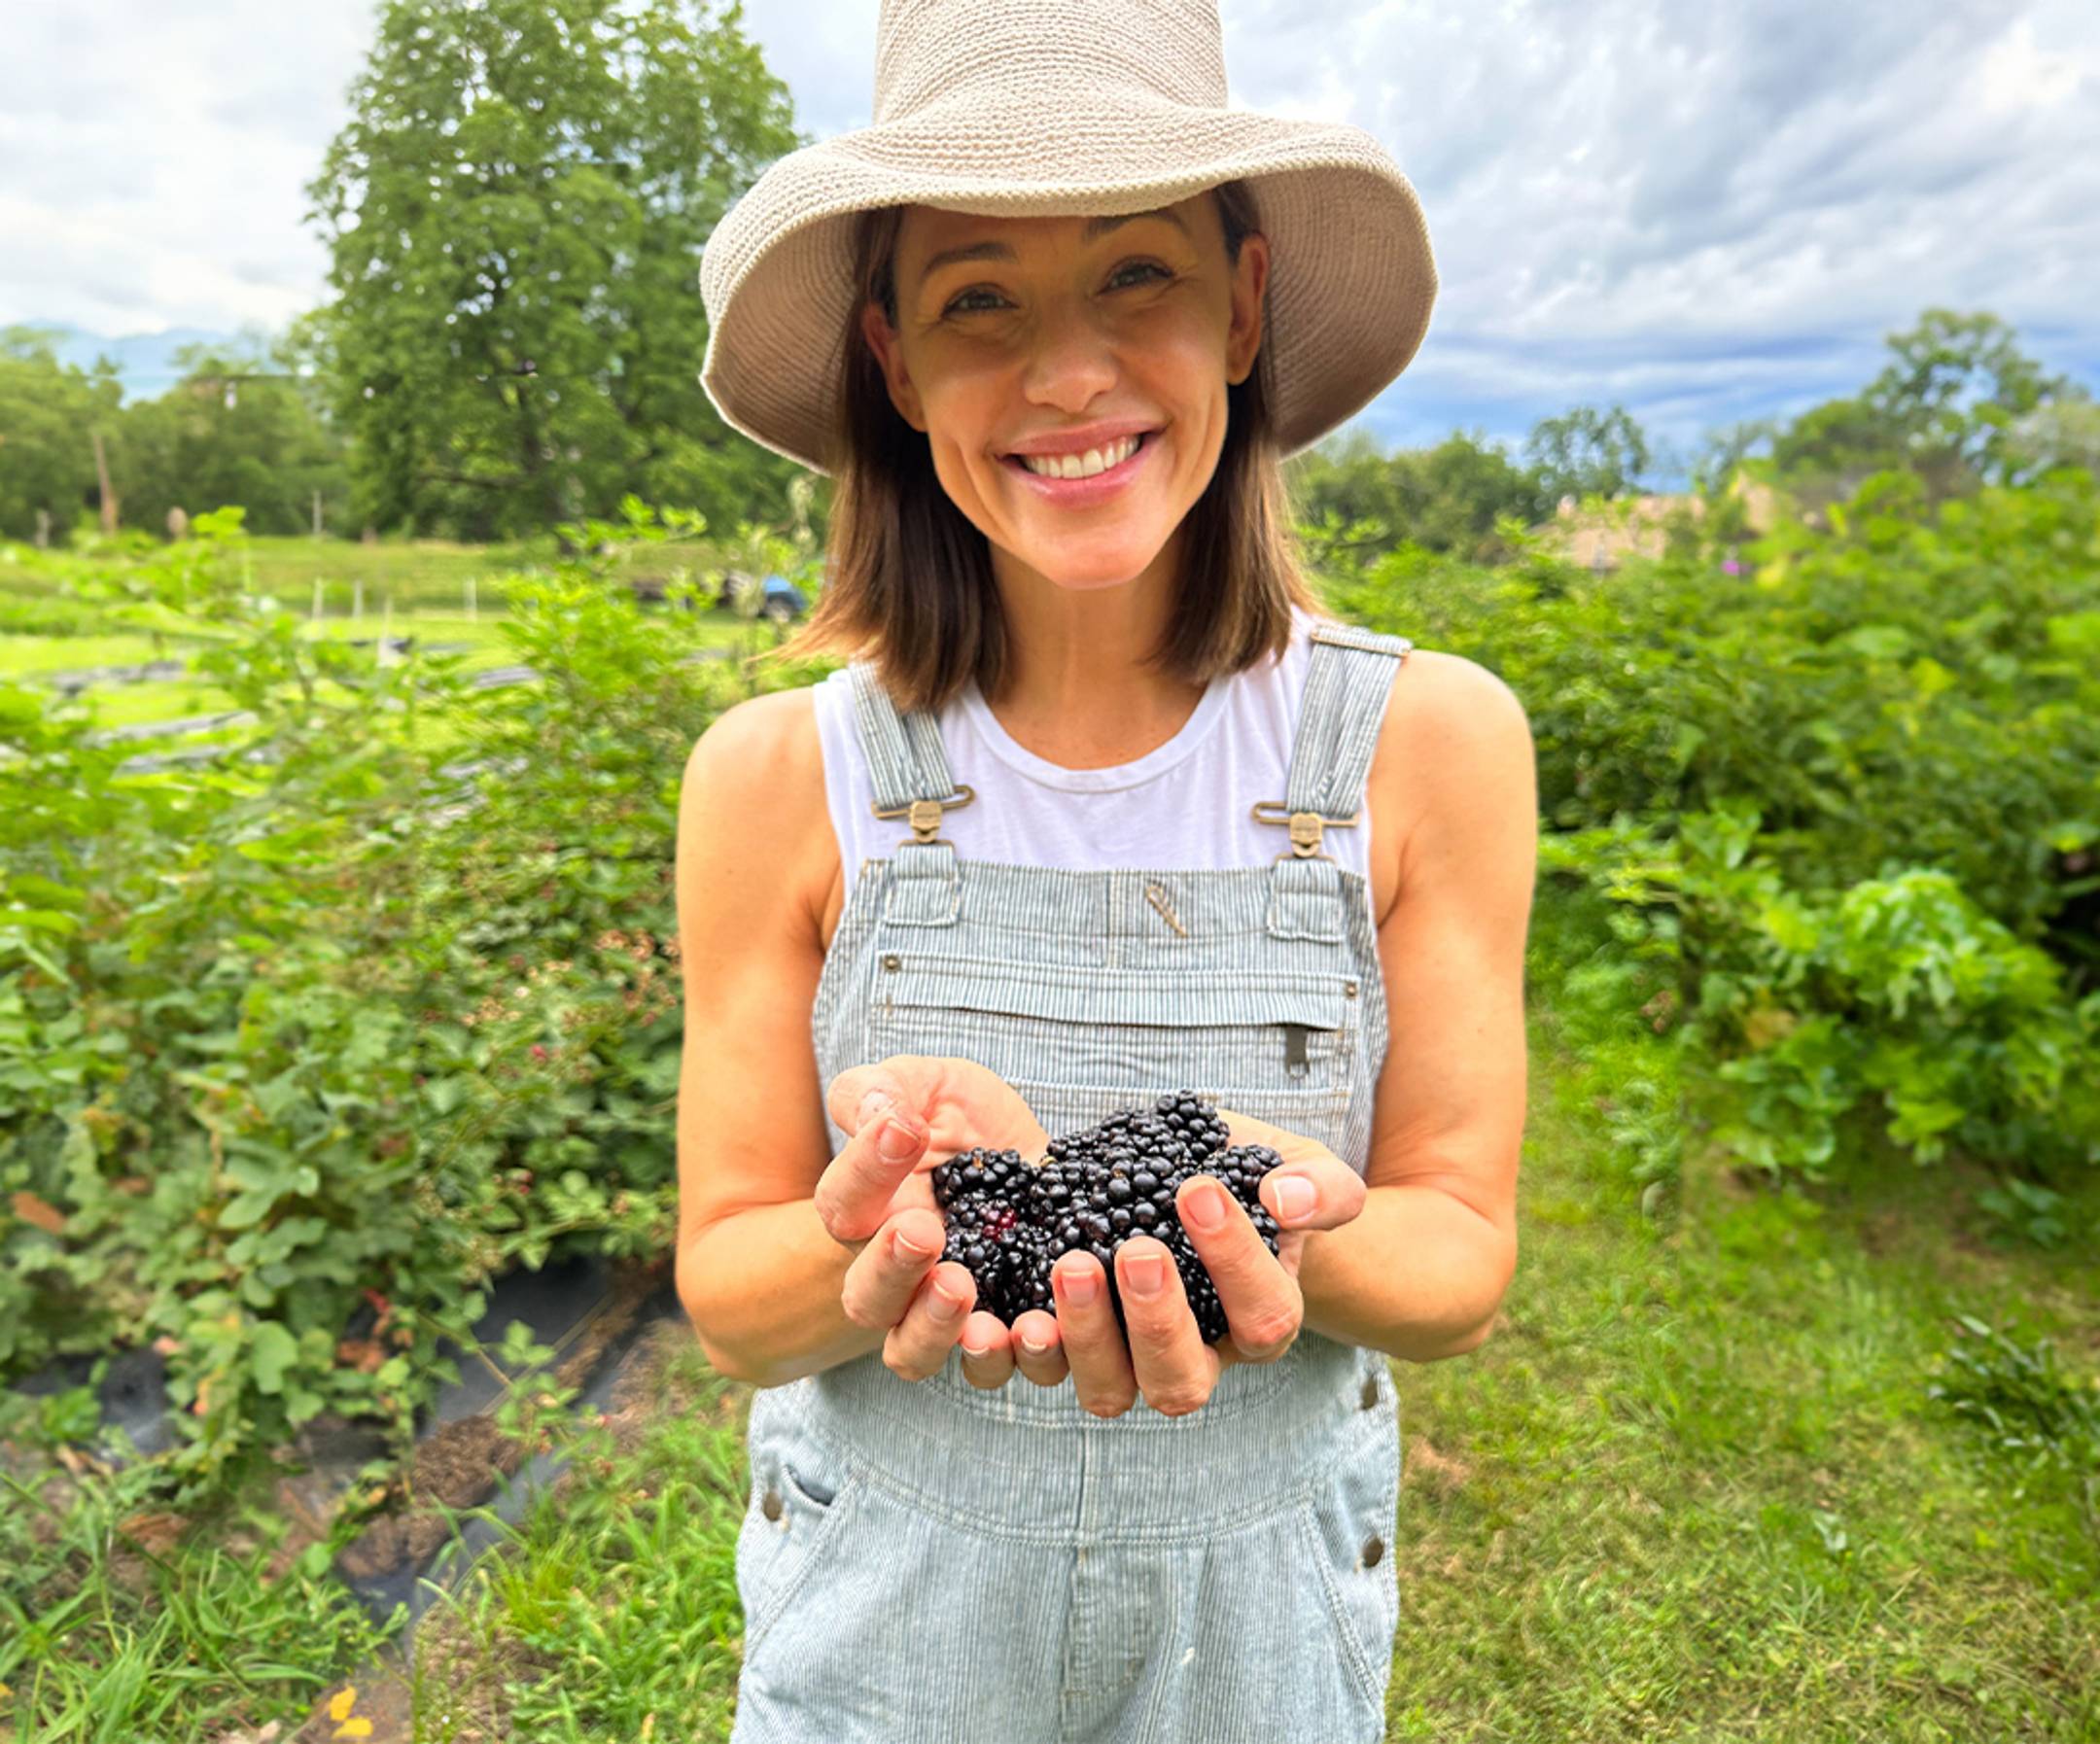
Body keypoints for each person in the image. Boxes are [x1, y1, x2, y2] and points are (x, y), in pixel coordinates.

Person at [678, 1, 1535, 1737]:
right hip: (887, 1620)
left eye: (1136, 274)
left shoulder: (1427, 744)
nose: (1068, 374)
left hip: (1260, 1631)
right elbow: (728, 1293)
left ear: (1244, 307)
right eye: (978, 296)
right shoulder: (780, 776)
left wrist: (1255, 1199)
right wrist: (881, 1230)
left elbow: (1456, 1256)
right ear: (896, 362)